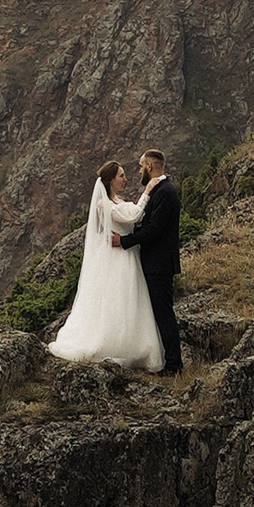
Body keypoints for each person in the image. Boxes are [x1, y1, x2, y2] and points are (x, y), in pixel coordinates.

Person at [47, 159, 164, 370]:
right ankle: (114, 343)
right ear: (110, 180)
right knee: (118, 299)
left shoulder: (117, 200)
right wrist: (147, 192)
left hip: (129, 255)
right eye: (121, 176)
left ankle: (132, 341)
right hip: (119, 258)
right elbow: (134, 216)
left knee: (130, 299)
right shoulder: (105, 205)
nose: (125, 179)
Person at [116, 148, 183, 375]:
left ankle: (174, 365)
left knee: (164, 313)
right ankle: (167, 360)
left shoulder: (165, 192)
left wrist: (125, 241)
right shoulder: (160, 190)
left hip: (160, 264)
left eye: (141, 166)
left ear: (150, 167)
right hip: (156, 262)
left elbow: (154, 230)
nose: (139, 171)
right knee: (159, 312)